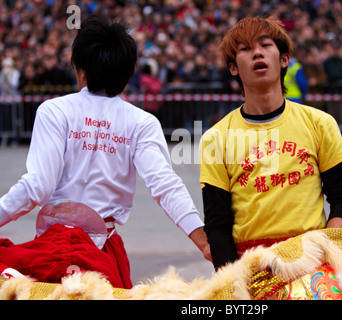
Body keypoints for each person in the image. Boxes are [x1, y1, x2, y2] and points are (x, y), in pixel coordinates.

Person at [0, 14, 211, 288]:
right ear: (126, 74)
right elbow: (165, 185)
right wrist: (203, 240)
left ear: (82, 70)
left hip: (53, 248)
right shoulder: (142, 122)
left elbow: (37, 186)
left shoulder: (54, 110)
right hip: (103, 253)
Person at [199, 16, 342, 270]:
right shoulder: (216, 138)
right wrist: (231, 285)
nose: (257, 53)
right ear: (233, 68)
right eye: (246, 49)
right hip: (253, 267)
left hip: (314, 262)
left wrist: (326, 247)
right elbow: (217, 226)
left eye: (265, 45)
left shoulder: (319, 123)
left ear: (284, 59)